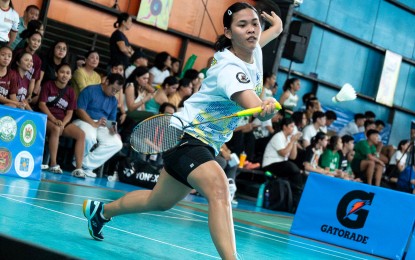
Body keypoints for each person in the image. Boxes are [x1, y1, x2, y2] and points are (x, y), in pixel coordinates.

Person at [82, 3, 282, 259]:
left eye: (254, 23)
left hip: (203, 143)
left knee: (158, 201)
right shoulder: (228, 69)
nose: (252, 30)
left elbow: (265, 37)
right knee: (220, 189)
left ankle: (101, 212)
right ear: (229, 34)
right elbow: (250, 103)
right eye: (242, 25)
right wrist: (262, 106)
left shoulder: (253, 51)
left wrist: (277, 27)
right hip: (187, 137)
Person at [38, 63, 86, 178]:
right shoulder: (48, 85)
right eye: (62, 72)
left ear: (70, 77)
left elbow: (70, 112)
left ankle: (78, 168)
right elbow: (41, 105)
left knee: (81, 134)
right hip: (47, 118)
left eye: (68, 73)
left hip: (62, 122)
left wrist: (63, 124)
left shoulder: (70, 91)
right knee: (55, 129)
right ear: (56, 73)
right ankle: (53, 164)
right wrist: (54, 119)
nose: (64, 75)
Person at [73, 73, 124, 178]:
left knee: (117, 143)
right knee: (90, 137)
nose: (114, 92)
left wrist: (113, 130)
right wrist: (93, 123)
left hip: (102, 125)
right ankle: (78, 163)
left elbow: (112, 120)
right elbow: (79, 110)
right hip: (84, 120)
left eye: (117, 91)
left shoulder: (114, 100)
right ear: (106, 82)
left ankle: (84, 165)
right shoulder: (90, 90)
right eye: (113, 89)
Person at [262, 118, 303, 207]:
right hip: (270, 164)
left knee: (296, 172)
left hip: (281, 164)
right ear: (284, 127)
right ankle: (296, 199)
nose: (293, 129)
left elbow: (293, 156)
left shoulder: (288, 139)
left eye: (293, 127)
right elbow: (283, 153)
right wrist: (292, 141)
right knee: (291, 167)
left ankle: (294, 200)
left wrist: (294, 142)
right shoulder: (278, 136)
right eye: (291, 126)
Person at [12, 30, 42, 104]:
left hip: (24, 91)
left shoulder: (38, 60)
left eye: (38, 41)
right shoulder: (18, 53)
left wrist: (30, 95)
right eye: (33, 40)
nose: (36, 43)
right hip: (12, 88)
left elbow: (33, 79)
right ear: (28, 40)